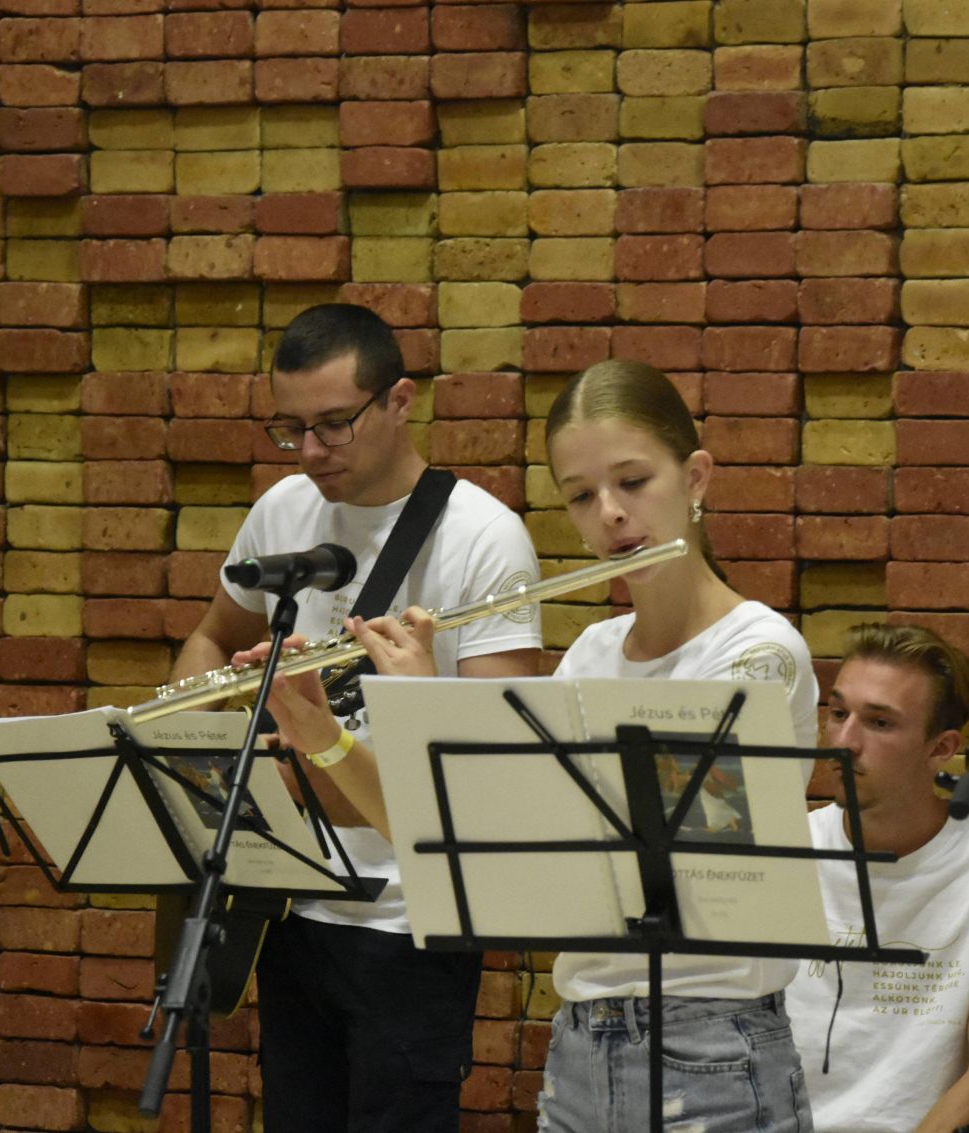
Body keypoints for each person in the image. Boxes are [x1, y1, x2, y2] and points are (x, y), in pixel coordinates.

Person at [247, 359, 822, 1133]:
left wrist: (432, 711)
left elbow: (665, 876)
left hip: (710, 1042)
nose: (609, 513)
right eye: (581, 495)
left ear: (694, 477)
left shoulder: (757, 653)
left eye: (633, 481)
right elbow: (457, 848)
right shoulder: (591, 652)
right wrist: (320, 731)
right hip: (583, 1040)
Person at [168, 303, 542, 1133]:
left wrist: (341, 742)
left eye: (334, 424)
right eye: (291, 429)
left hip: (408, 921)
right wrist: (196, 743)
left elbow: (491, 775)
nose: (311, 452)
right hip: (286, 904)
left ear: (400, 400)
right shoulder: (283, 510)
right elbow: (211, 635)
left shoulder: (482, 537)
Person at [784, 623, 969, 1133]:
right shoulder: (786, 849)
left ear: (942, 747)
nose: (844, 742)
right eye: (838, 714)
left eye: (879, 723)